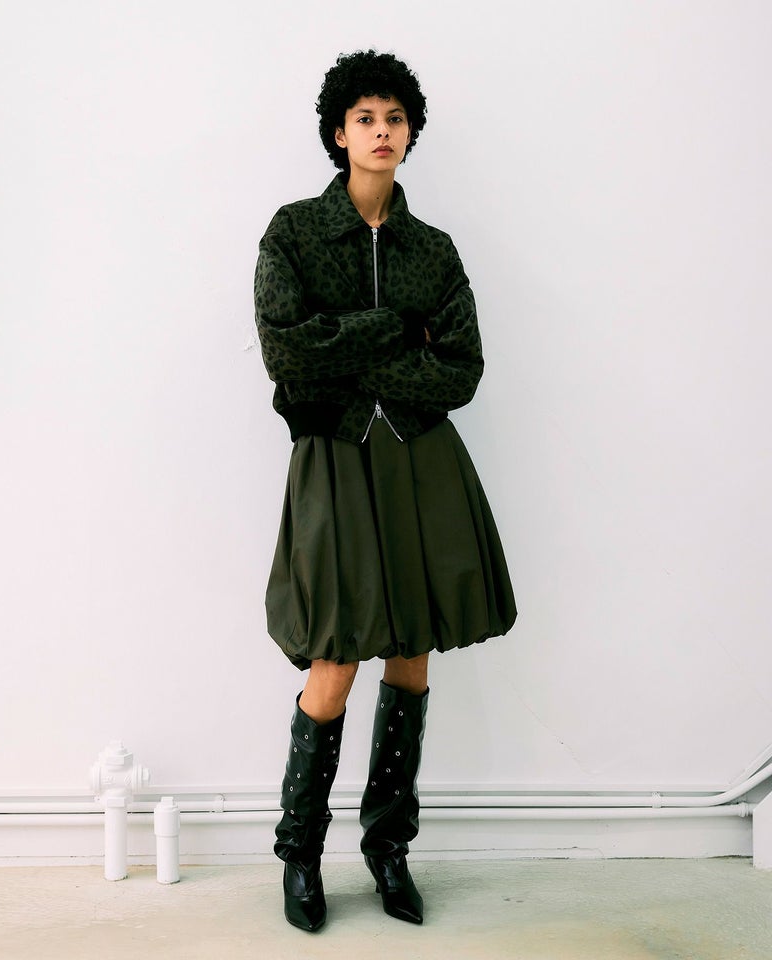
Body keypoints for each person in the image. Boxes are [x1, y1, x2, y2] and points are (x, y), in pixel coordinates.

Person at [253, 49, 517, 933]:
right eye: (365, 117)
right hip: (333, 459)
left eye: (394, 118)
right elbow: (287, 352)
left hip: (422, 460)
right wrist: (394, 329)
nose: (381, 131)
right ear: (339, 133)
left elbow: (462, 370)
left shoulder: (432, 252)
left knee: (412, 653)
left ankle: (388, 847)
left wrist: (351, 351)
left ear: (410, 134)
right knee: (335, 656)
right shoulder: (294, 233)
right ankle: (299, 853)